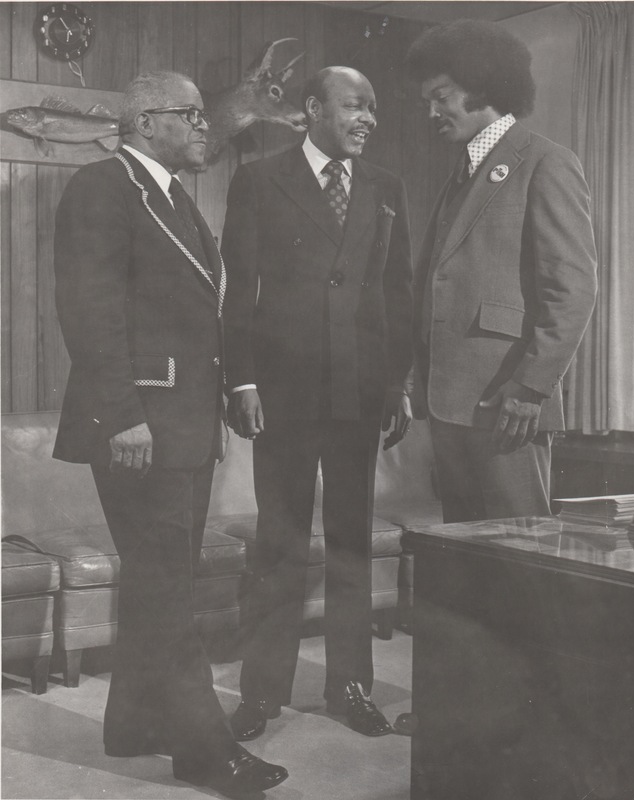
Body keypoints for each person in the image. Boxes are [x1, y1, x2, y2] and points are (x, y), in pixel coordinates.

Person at [52, 70, 287, 797]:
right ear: (147, 121)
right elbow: (89, 311)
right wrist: (122, 413)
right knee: (169, 593)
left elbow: (203, 313)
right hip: (140, 425)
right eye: (190, 115)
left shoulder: (174, 197)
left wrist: (236, 386)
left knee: (164, 586)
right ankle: (204, 751)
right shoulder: (102, 187)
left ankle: (131, 725)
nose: (203, 127)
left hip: (184, 425)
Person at [221, 66, 413, 741]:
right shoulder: (258, 179)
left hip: (358, 393)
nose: (368, 119)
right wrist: (241, 380)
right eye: (356, 105)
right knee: (279, 547)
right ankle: (261, 694)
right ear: (313, 109)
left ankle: (351, 686)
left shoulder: (384, 187)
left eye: (373, 108)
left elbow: (398, 293)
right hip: (284, 394)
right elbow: (239, 287)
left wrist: (395, 384)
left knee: (352, 545)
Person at [405, 20, 597, 523]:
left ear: (482, 86)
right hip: (453, 407)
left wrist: (530, 389)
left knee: (520, 561)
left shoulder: (546, 162)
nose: (432, 112)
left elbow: (573, 291)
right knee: (466, 566)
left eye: (440, 96)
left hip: (507, 406)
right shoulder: (463, 173)